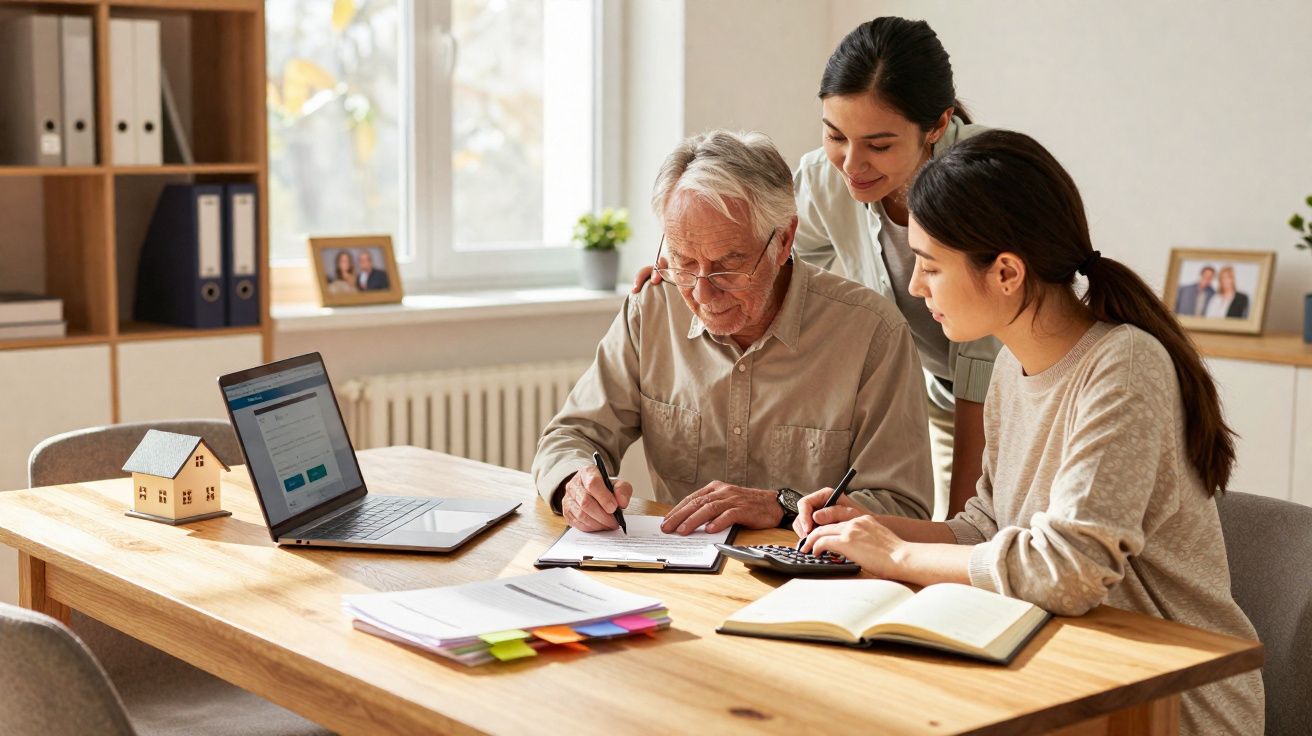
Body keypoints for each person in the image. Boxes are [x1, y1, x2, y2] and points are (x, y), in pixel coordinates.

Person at [792, 130, 1263, 735]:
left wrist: (902, 556)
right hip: (1068, 669)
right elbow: (988, 528)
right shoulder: (1012, 370)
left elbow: (1069, 570)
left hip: (1172, 703)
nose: (914, 287)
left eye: (930, 266)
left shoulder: (1122, 368)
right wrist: (872, 528)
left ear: (1007, 272)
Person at [636, 17, 999, 519]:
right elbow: (763, 252)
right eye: (835, 136)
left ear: (936, 125)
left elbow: (985, 369)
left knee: (981, 544)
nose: (852, 165)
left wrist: (960, 533)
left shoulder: (984, 185)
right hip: (930, 387)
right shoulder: (822, 182)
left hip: (1013, 394)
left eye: (879, 145)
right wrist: (679, 265)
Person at [533, 130, 933, 535]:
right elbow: (573, 435)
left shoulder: (871, 335)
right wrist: (575, 482)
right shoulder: (653, 307)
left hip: (810, 584)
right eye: (684, 262)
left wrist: (783, 505)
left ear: (784, 240)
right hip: (682, 573)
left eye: (729, 264)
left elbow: (902, 507)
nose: (703, 292)